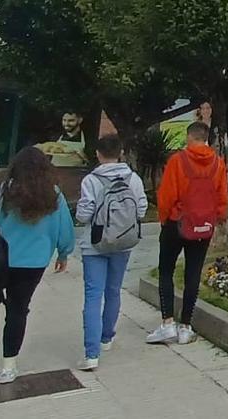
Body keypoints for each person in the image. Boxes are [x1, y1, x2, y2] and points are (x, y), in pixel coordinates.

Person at [0, 147, 74, 384]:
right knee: (18, 310)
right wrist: (64, 253)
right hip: (33, 262)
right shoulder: (53, 195)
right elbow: (65, 229)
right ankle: (9, 365)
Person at [146, 122, 228, 346]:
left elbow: (166, 195)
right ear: (206, 139)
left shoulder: (177, 161)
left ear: (189, 137)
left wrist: (164, 219)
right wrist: (217, 218)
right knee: (193, 274)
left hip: (177, 222)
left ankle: (167, 324)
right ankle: (186, 327)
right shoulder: (218, 164)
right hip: (204, 225)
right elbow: (222, 196)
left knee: (166, 271)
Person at [75, 134, 147, 371]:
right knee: (114, 291)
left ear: (97, 154)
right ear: (121, 152)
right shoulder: (133, 178)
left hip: (94, 245)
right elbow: (142, 208)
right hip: (123, 243)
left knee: (93, 295)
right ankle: (107, 337)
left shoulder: (90, 180)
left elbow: (83, 215)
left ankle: (91, 353)